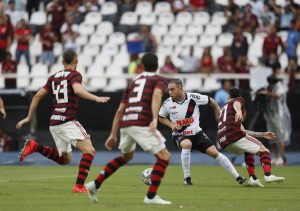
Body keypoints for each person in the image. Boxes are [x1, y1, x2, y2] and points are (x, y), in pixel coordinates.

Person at [16, 50, 110, 193]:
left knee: (64, 160)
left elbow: (37, 96)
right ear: (76, 61)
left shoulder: (53, 77)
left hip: (54, 122)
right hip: (67, 121)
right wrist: (96, 98)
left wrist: (29, 117)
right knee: (89, 151)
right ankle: (79, 186)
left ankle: (35, 146)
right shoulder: (75, 75)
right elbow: (77, 90)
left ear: (62, 62)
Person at [85, 53, 172, 205]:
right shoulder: (158, 79)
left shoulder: (133, 82)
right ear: (157, 66)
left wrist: (113, 134)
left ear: (142, 66)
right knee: (164, 157)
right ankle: (150, 197)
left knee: (126, 156)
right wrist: (153, 119)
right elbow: (157, 95)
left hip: (126, 123)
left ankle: (95, 185)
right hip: (141, 123)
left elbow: (120, 110)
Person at [158, 78, 246, 186]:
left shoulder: (193, 97)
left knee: (214, 152)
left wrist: (220, 113)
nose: (170, 92)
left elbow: (211, 101)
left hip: (197, 133)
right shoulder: (167, 103)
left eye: (172, 89)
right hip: (179, 135)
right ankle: (187, 178)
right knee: (187, 144)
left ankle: (238, 176)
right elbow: (161, 117)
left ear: (180, 88)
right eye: (169, 90)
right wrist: (171, 125)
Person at [217, 88, 285, 187]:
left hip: (223, 141)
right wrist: (239, 111)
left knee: (248, 149)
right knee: (264, 151)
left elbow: (243, 131)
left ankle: (252, 178)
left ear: (228, 96)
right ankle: (268, 175)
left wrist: (263, 134)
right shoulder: (238, 100)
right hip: (233, 136)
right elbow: (237, 104)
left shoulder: (225, 109)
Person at [258, 75, 292, 165]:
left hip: (279, 116)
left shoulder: (280, 87)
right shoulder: (270, 87)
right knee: (271, 136)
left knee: (281, 137)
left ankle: (282, 157)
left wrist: (267, 93)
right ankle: (276, 157)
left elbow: (278, 96)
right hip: (270, 115)